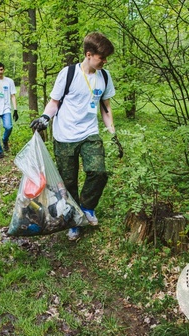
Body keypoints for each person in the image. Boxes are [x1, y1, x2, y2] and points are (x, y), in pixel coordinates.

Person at [30, 32, 123, 241]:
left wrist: (113, 133)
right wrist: (45, 117)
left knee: (98, 172)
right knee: (68, 182)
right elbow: (54, 102)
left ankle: (87, 207)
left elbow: (106, 107)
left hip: (90, 133)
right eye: (102, 57)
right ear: (89, 54)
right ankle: (74, 221)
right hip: (64, 135)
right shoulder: (68, 74)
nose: (105, 61)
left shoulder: (104, 76)